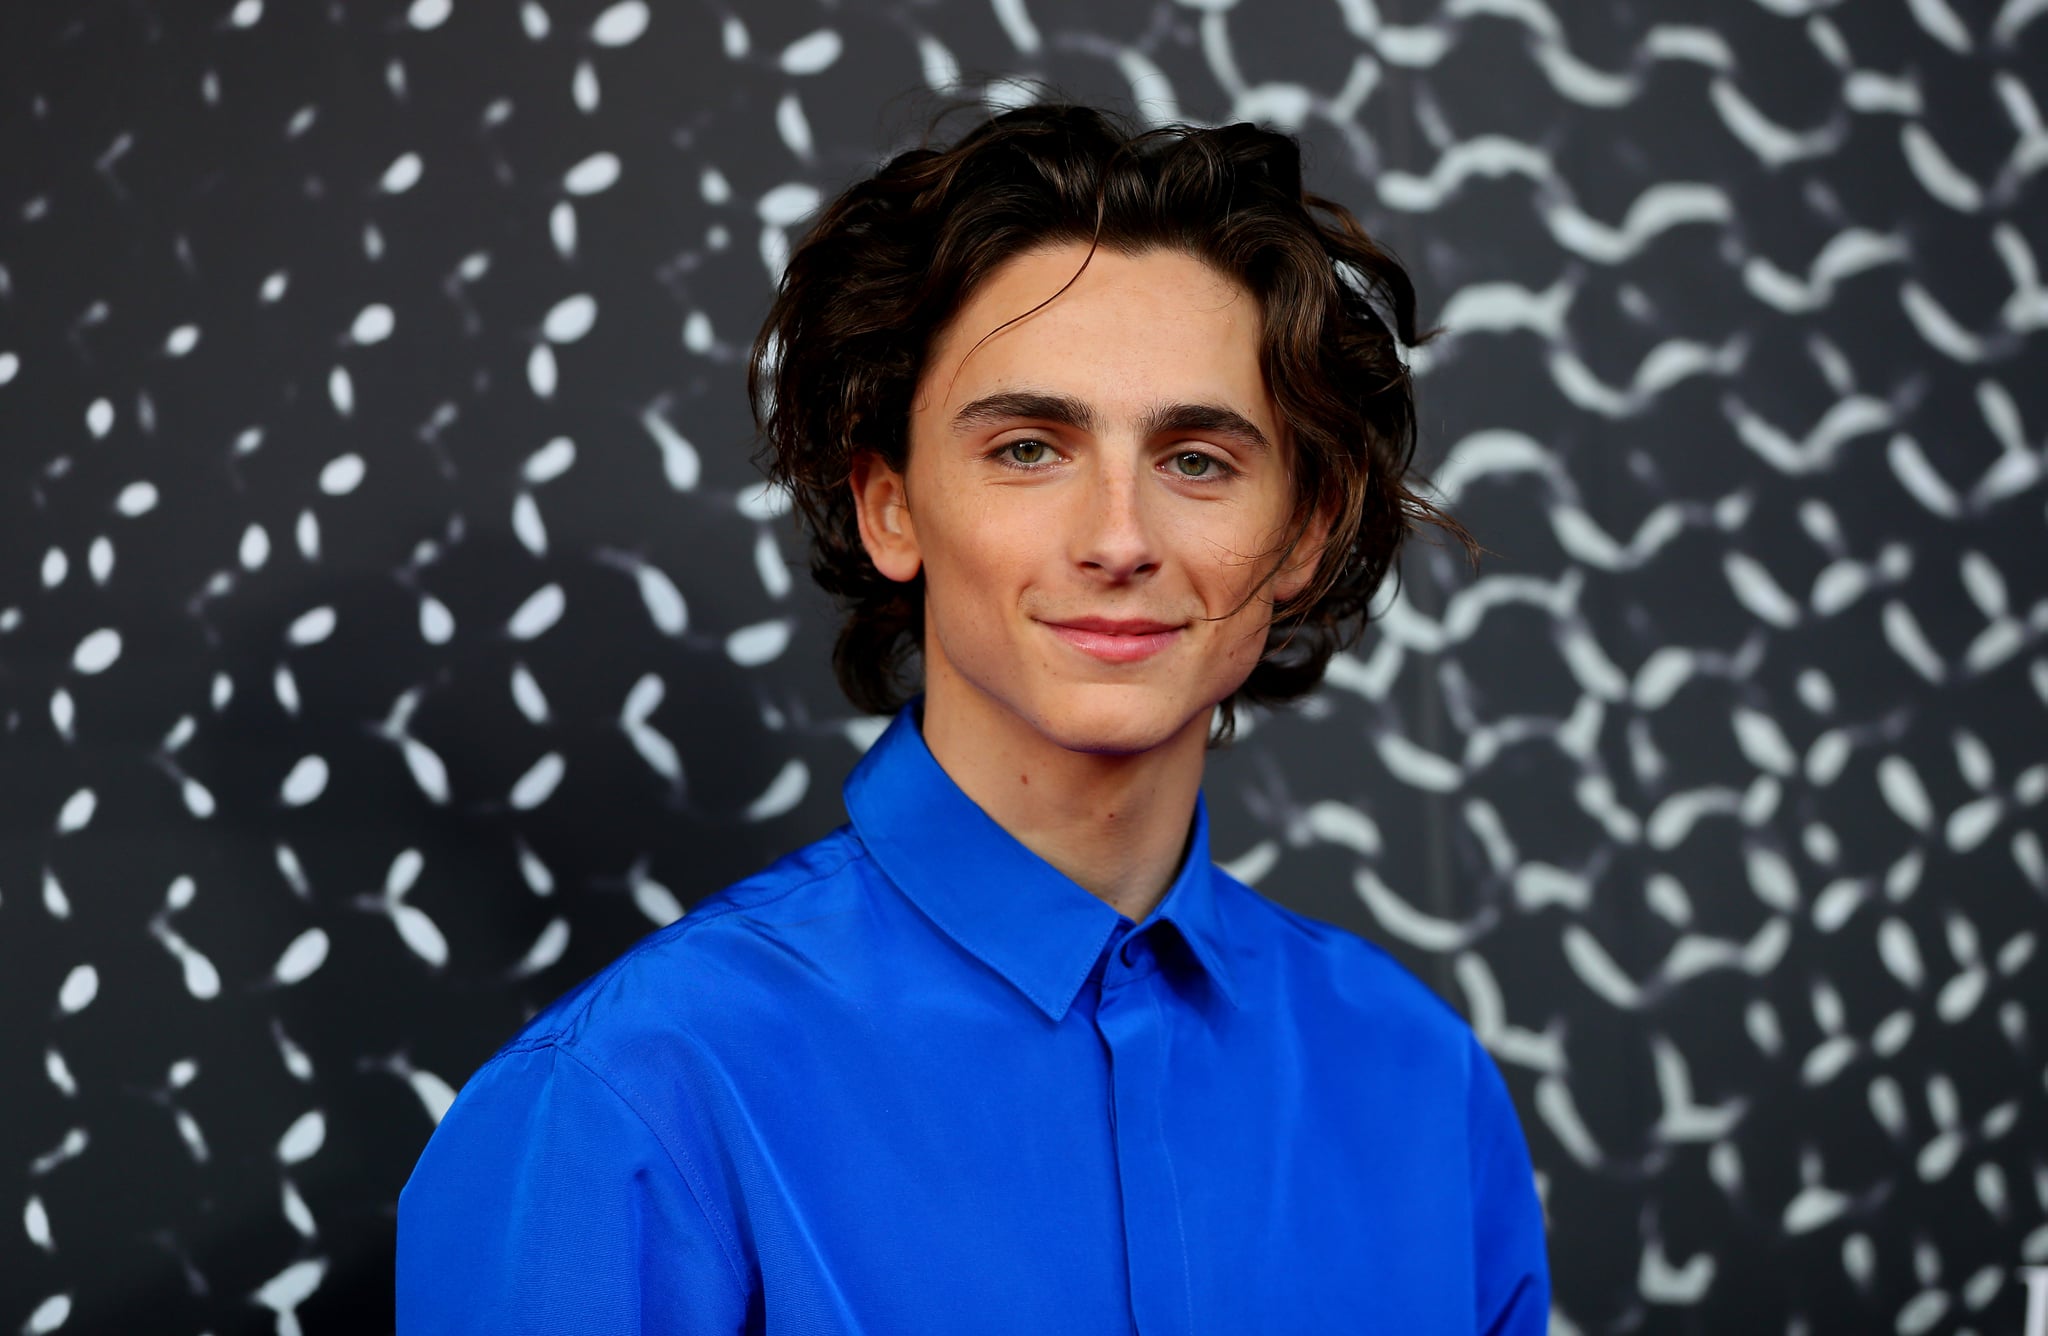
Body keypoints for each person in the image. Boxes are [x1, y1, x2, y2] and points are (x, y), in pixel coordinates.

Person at [396, 101, 1550, 1334]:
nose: (1118, 538)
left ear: (1301, 536)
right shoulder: (625, 1106)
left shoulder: (1422, 1087)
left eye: (1197, 461)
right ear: (888, 506)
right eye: (1026, 449)